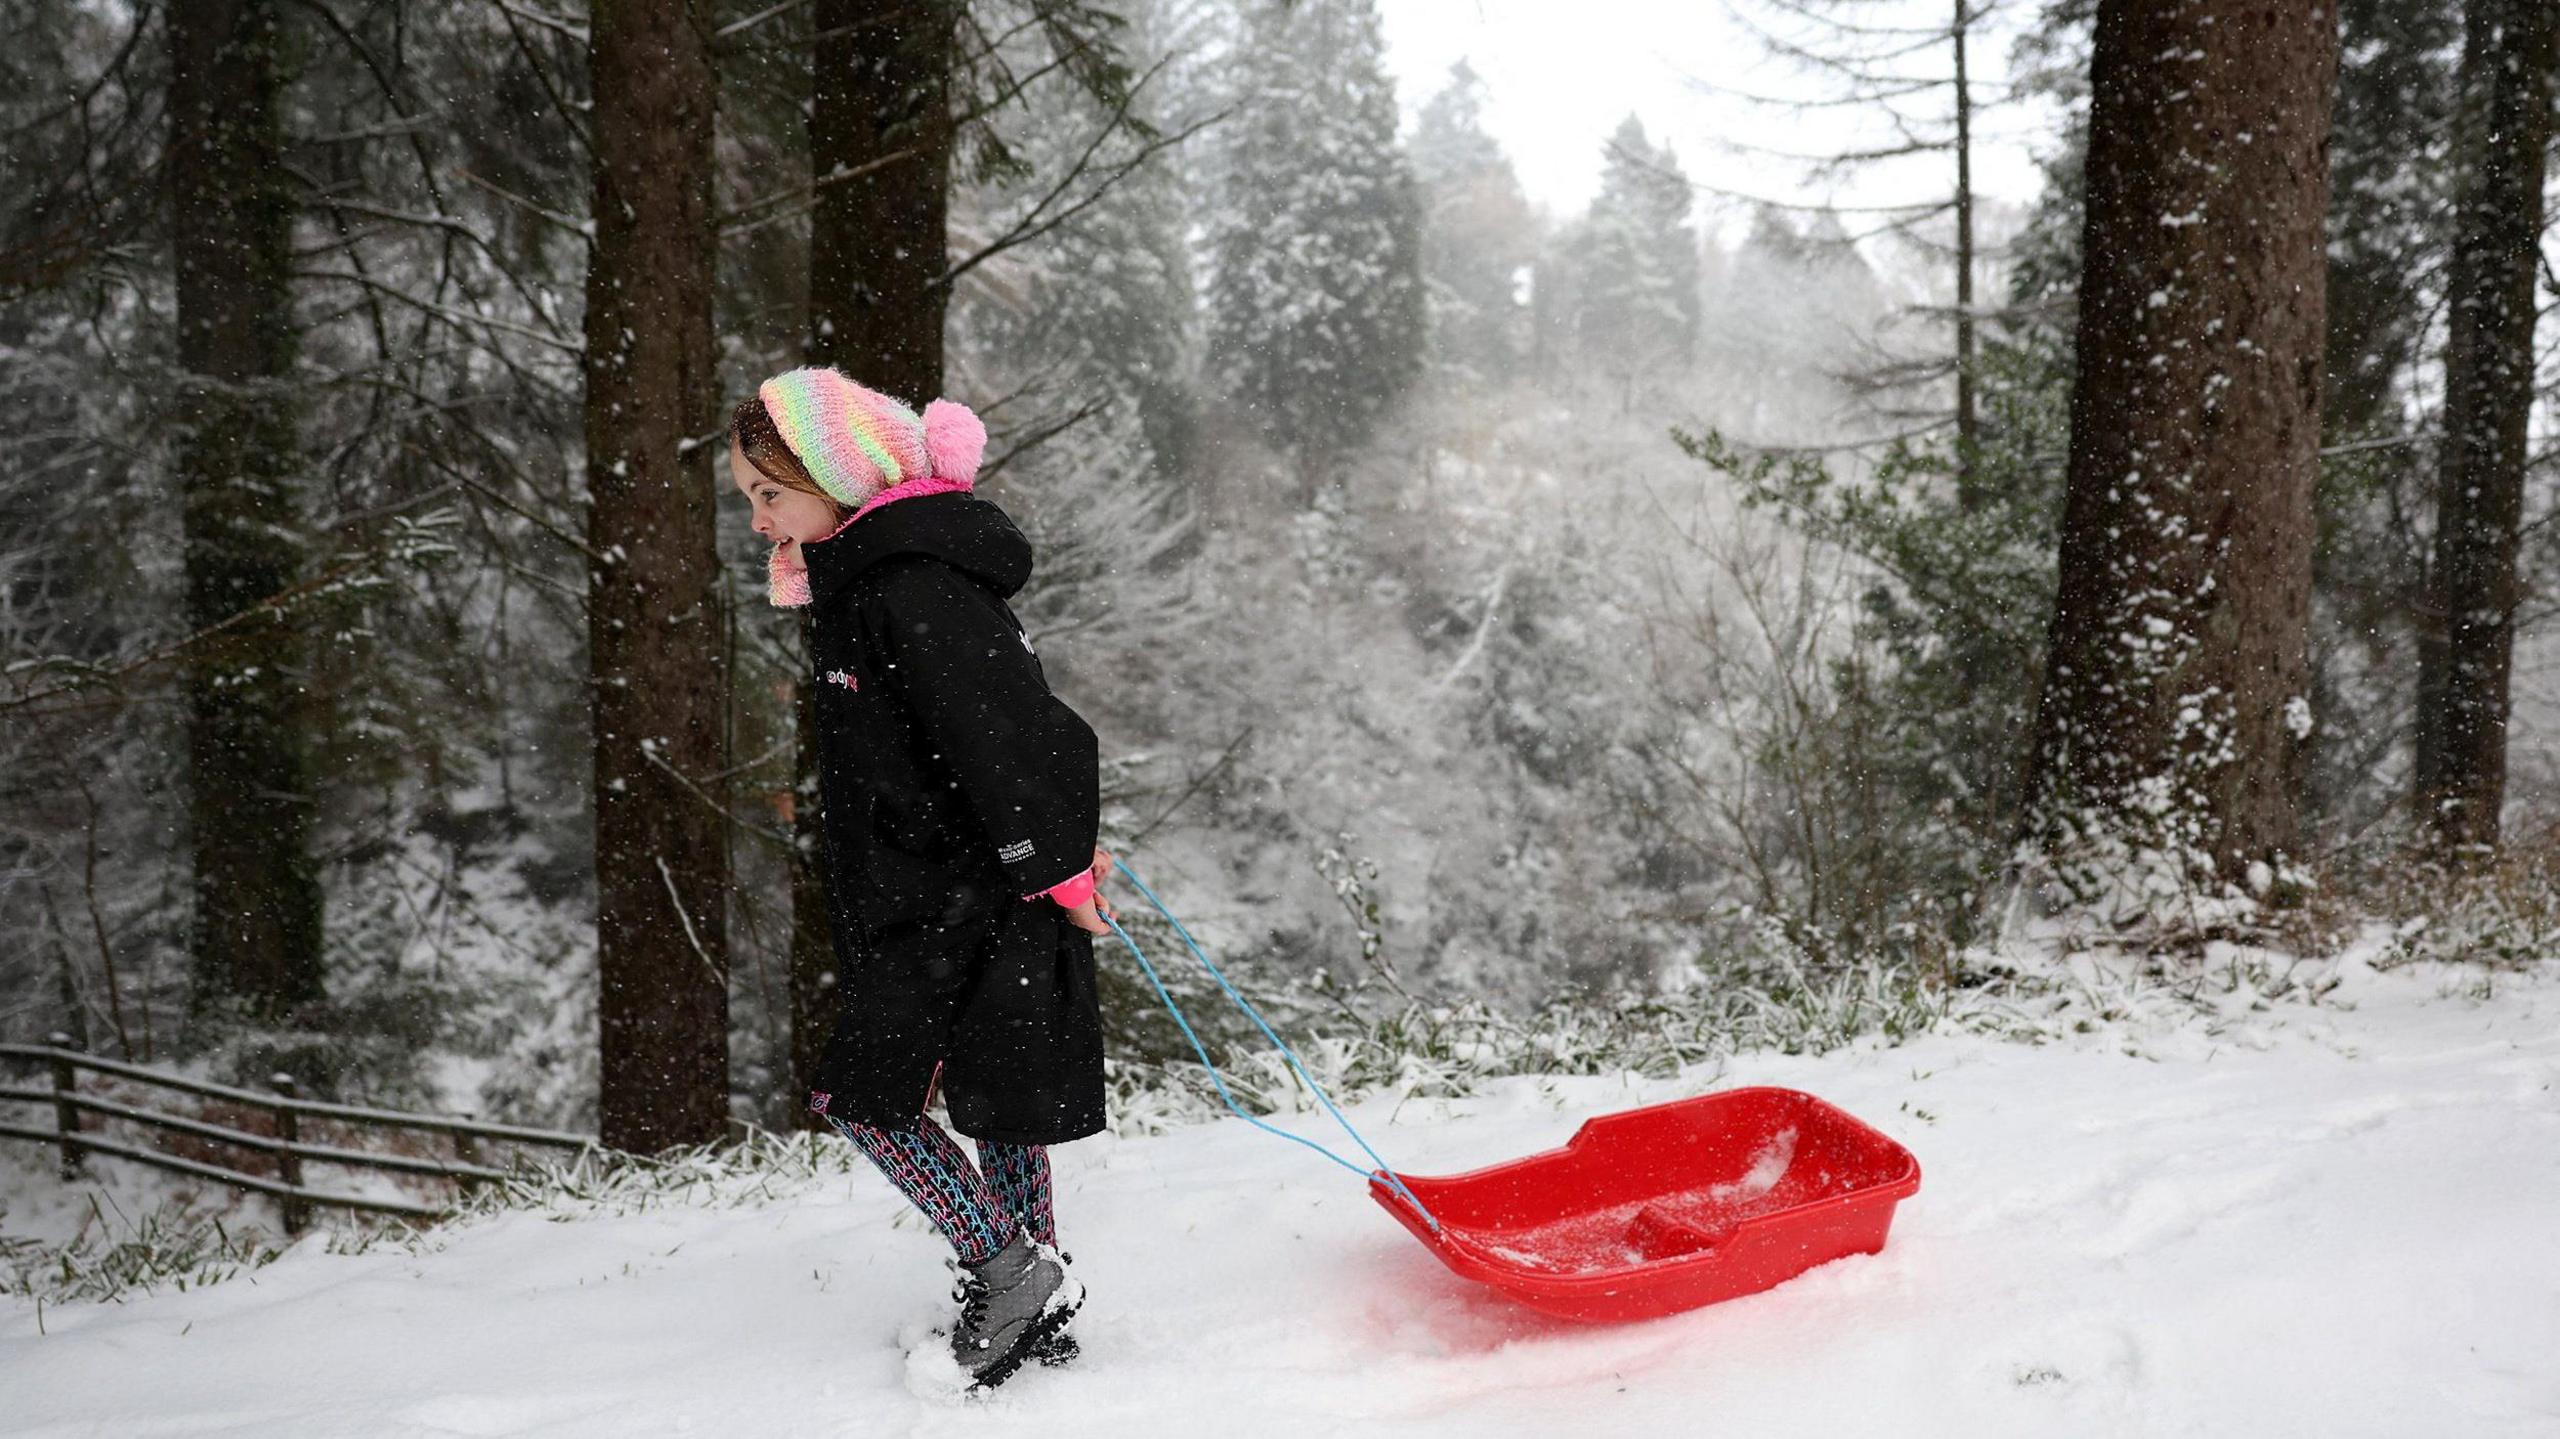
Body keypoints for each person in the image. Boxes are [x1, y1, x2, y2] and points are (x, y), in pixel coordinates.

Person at [728, 365, 1114, 1390]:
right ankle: (1043, 1292)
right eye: (750, 499)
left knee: (864, 1097)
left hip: (960, 892)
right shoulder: (863, 580)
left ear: (838, 472)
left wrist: (1054, 863)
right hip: (931, 889)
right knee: (998, 1093)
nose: (759, 518)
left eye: (770, 492)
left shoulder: (912, 585)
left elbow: (1012, 735)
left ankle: (1010, 1267)